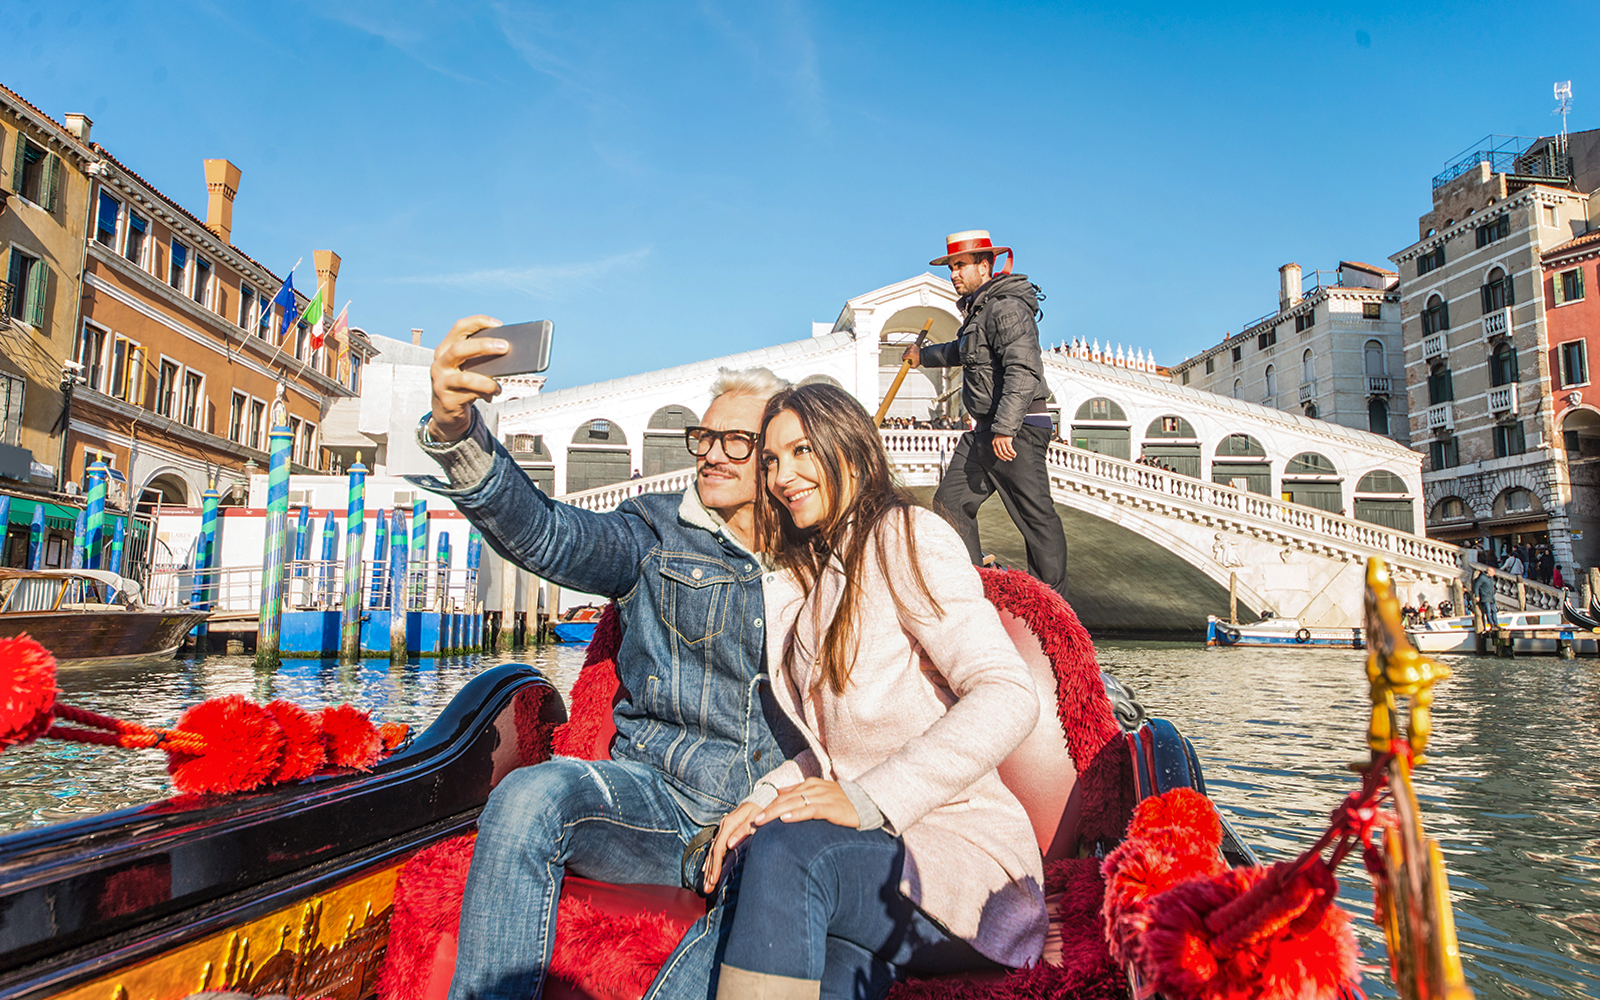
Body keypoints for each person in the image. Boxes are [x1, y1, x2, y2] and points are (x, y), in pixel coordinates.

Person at [411, 314, 804, 1000]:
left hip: (765, 819)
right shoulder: (653, 530)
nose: (710, 453)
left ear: (779, 454)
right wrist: (456, 434)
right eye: (703, 437)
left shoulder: (826, 556)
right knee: (530, 794)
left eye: (734, 441)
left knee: (777, 869)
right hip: (651, 802)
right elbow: (546, 535)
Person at [699, 382, 1047, 999]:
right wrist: (760, 799)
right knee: (777, 890)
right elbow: (832, 752)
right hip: (874, 864)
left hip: (959, 863)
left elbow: (1006, 693)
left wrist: (869, 800)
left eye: (802, 451)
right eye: (773, 460)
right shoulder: (811, 585)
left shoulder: (907, 535)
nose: (782, 476)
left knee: (787, 853)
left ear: (851, 451)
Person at [903, 230, 1069, 599]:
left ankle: (1055, 606)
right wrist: (921, 357)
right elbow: (961, 351)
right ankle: (974, 585)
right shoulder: (980, 310)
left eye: (960, 266)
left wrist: (1007, 427)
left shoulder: (1006, 307)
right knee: (950, 502)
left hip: (1018, 426)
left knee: (1035, 518)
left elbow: (1022, 370)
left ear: (985, 265)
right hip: (988, 429)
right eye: (951, 267)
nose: (954, 274)